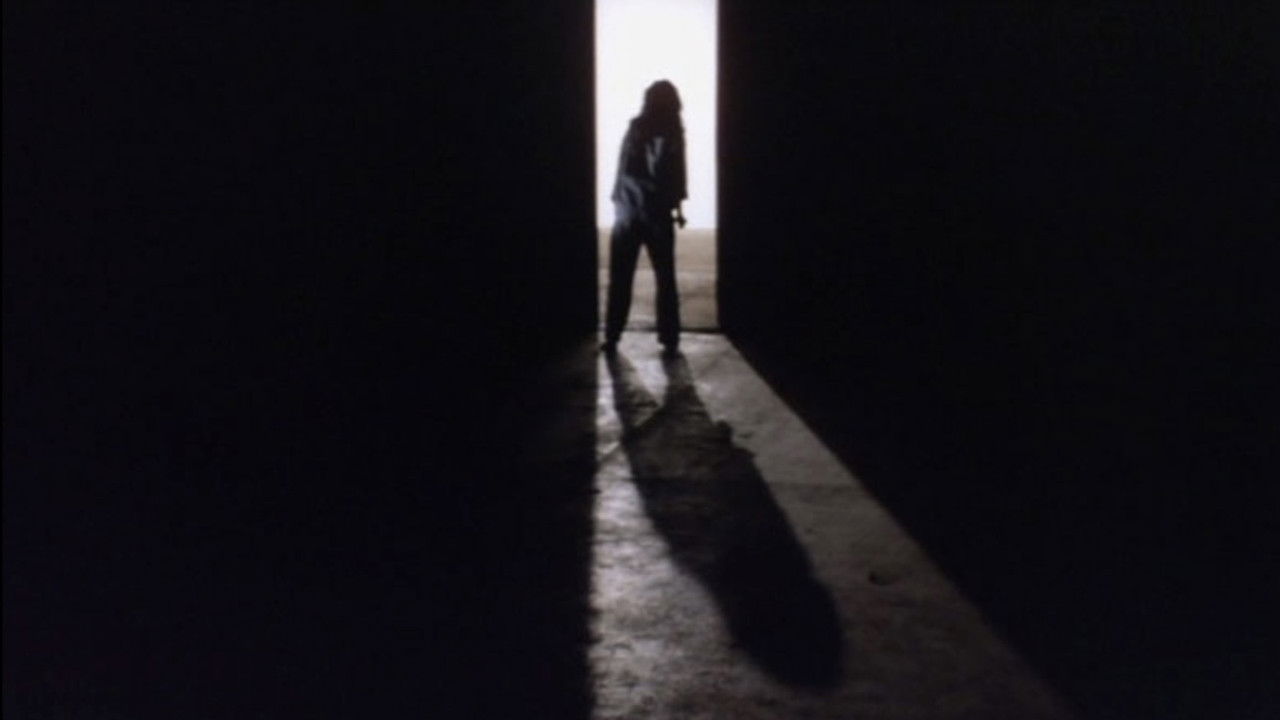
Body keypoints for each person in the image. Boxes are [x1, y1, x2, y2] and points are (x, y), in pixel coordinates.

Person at [602, 80, 687, 356]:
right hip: (656, 212)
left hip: (627, 209)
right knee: (665, 276)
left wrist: (618, 201)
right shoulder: (673, 129)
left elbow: (623, 168)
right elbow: (675, 172)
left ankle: (613, 334)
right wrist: (677, 206)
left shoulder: (636, 126)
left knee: (620, 276)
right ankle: (669, 337)